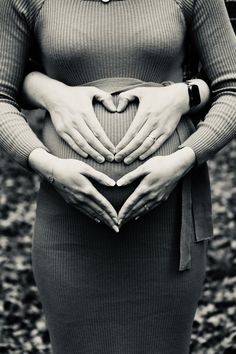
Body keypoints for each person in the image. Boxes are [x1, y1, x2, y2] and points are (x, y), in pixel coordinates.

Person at [0, 0, 236, 353]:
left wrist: (185, 157)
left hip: (165, 228)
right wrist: (47, 164)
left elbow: (231, 89)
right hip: (69, 227)